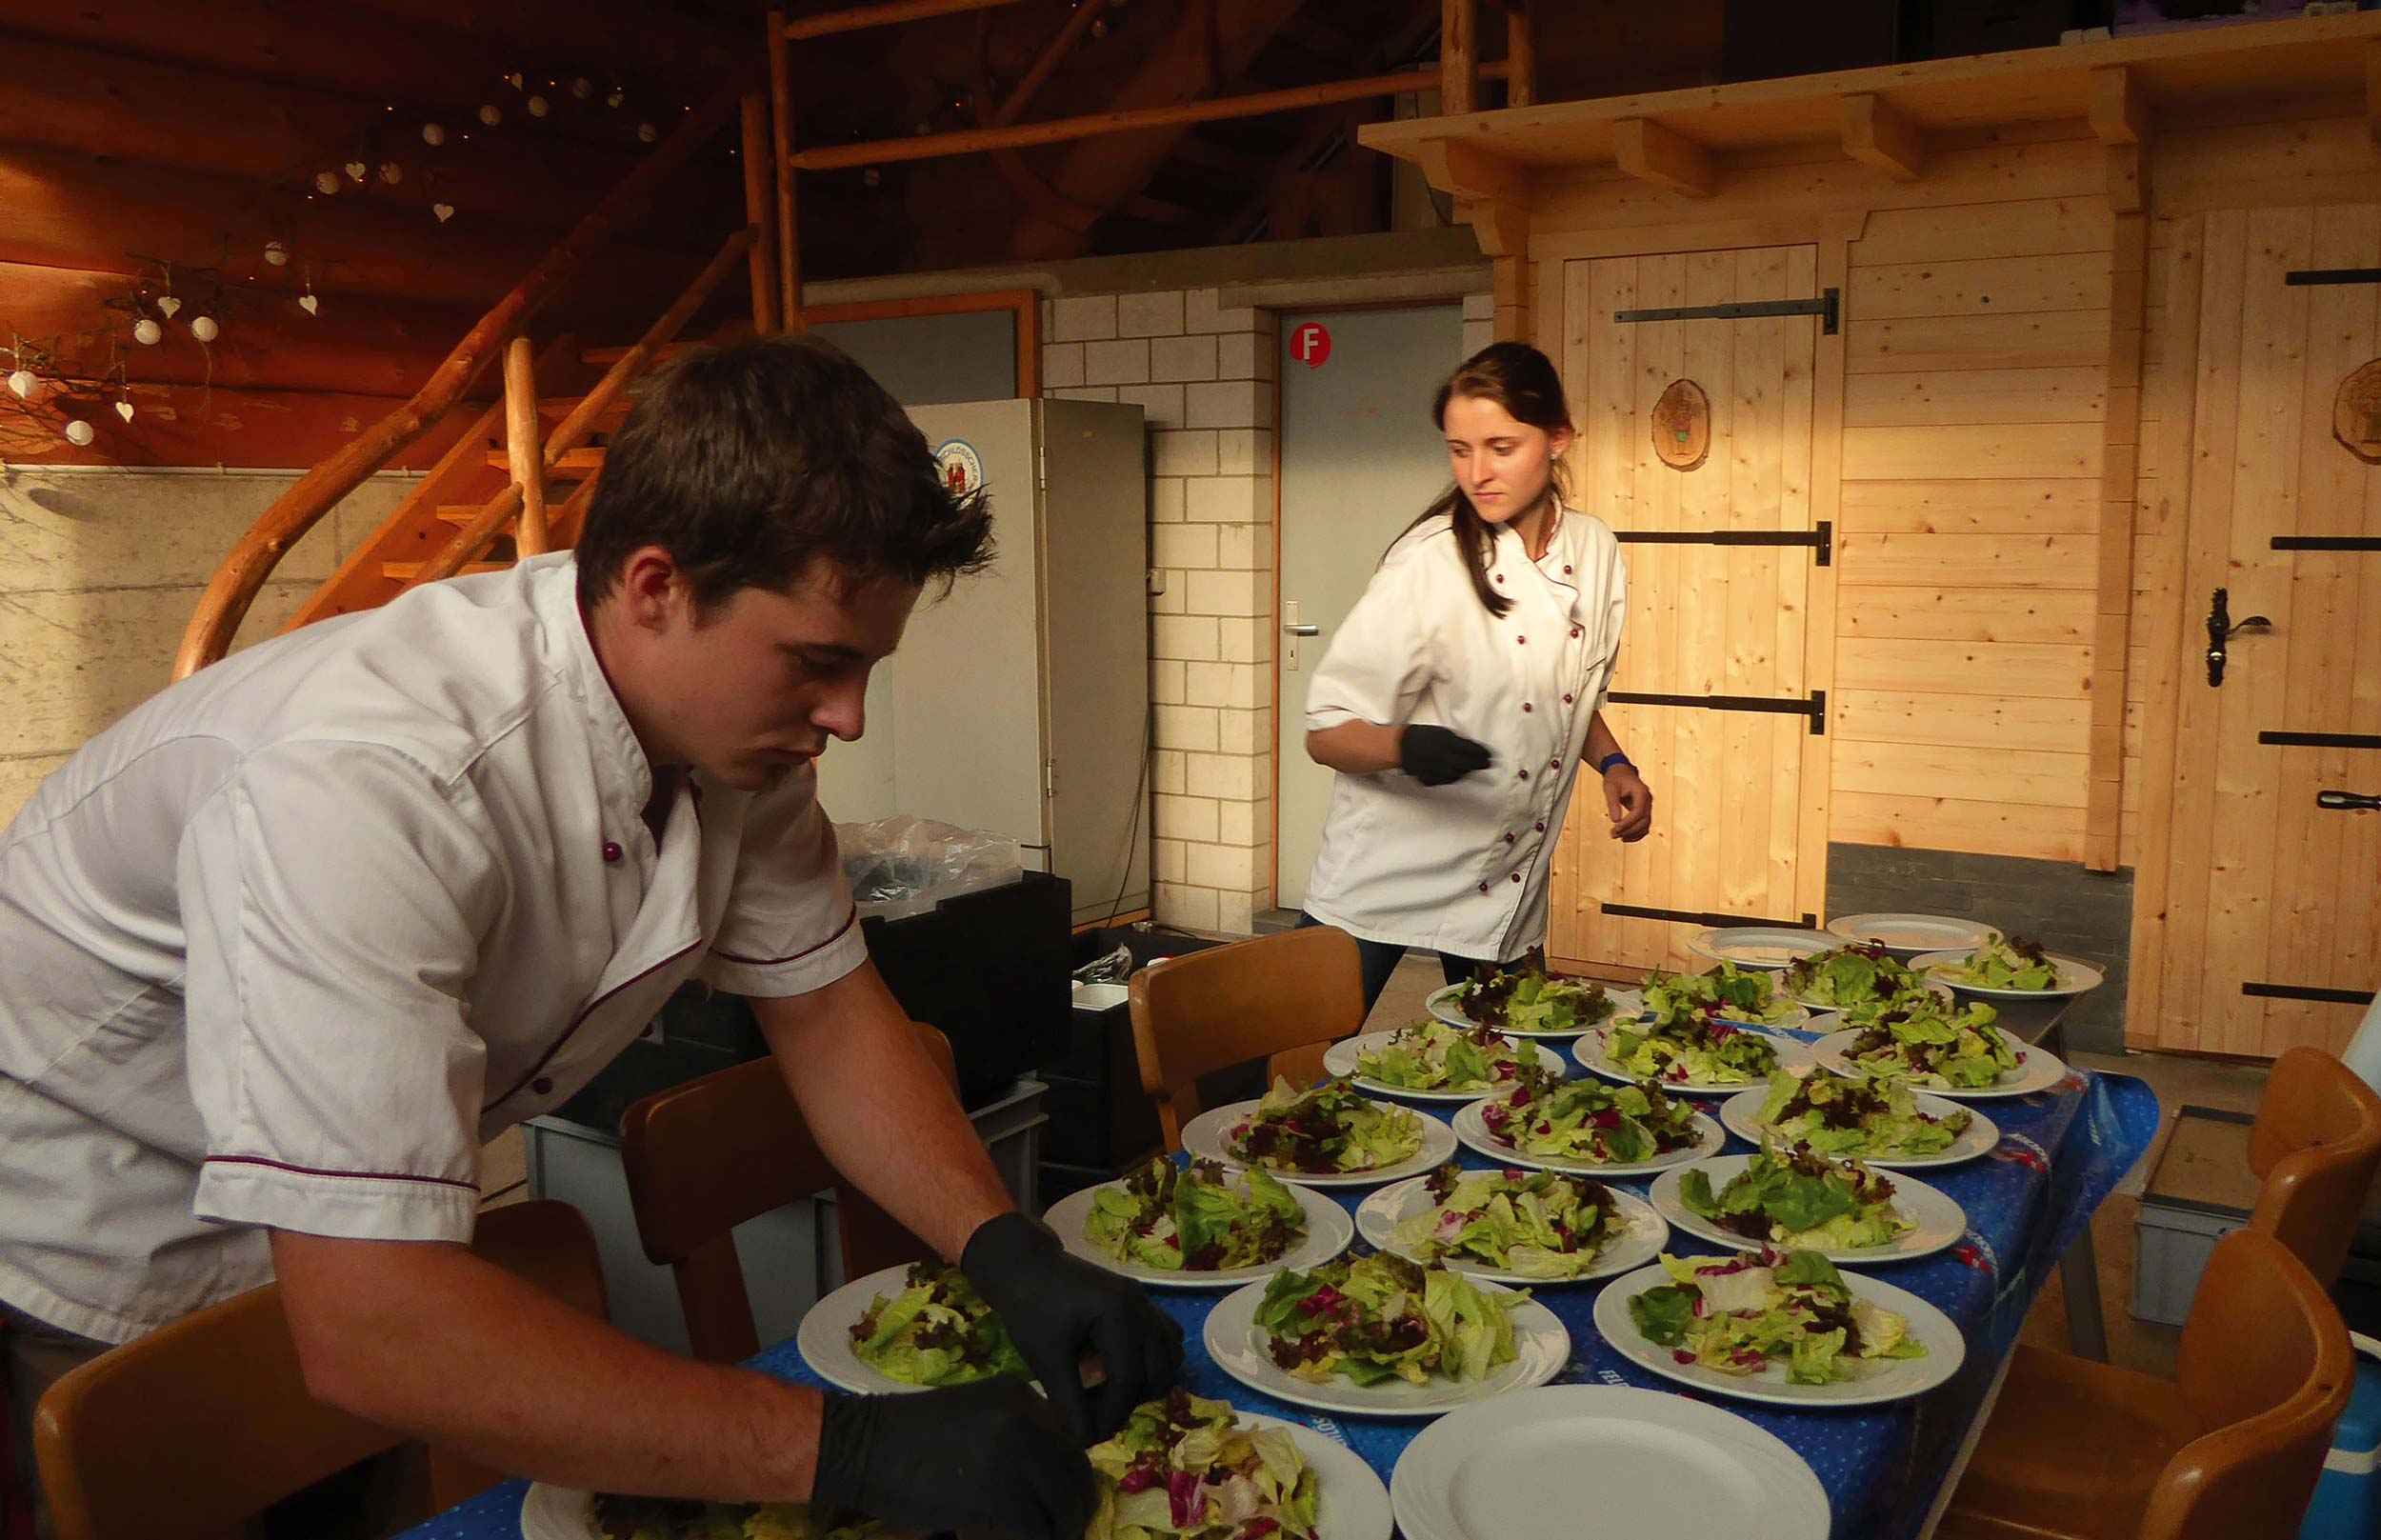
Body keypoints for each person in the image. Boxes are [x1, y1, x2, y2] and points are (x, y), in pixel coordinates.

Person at [0, 336, 1179, 1540]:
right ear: (656, 586)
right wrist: (848, 1449)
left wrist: (1001, 1245)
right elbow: (369, 1328)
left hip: (363, 1238)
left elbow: (830, 1016)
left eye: (866, 666)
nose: (848, 716)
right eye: (817, 663)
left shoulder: (730, 745)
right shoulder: (370, 783)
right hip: (108, 1223)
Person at [1299, 341, 1653, 1012]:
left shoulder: (1595, 549)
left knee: (1517, 1061)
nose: (1477, 473)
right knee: (1298, 1055)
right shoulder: (1428, 562)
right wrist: (1403, 746)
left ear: (1557, 439)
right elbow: (1325, 733)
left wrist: (1613, 763)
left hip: (1506, 878)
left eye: (1500, 447)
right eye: (1459, 450)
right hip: (1385, 872)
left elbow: (1569, 695)